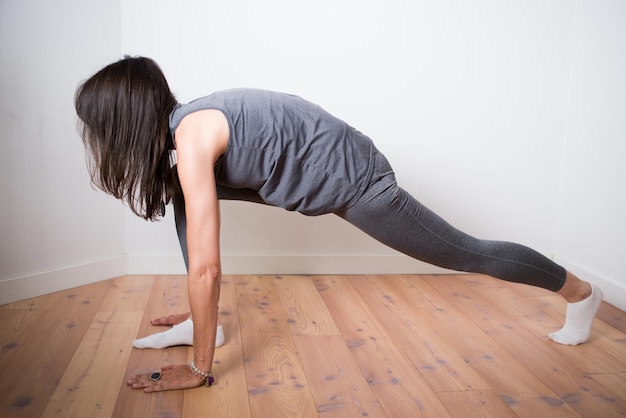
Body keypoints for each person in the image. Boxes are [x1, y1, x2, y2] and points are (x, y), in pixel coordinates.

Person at [74, 56, 603, 393]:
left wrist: (201, 369)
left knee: (466, 252)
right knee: (180, 194)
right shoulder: (187, 130)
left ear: (124, 121)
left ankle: (580, 294)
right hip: (325, 171)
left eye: (99, 128)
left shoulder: (191, 141)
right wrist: (200, 311)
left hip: (359, 183)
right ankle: (200, 321)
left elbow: (207, 269)